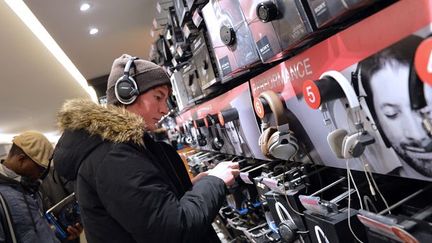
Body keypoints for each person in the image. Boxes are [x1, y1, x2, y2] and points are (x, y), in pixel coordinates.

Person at [53, 54, 240, 243]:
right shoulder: (112, 157)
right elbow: (172, 230)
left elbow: (151, 209)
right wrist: (214, 182)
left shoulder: (124, 148)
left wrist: (193, 188)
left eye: (166, 99)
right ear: (126, 93)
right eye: (158, 97)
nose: (165, 109)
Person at [359, 35, 432, 178]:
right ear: (376, 120)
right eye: (392, 114)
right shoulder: (383, 195)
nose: (416, 134)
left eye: (428, 109)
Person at [0, 131, 81, 242]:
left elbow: (39, 231)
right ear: (21, 159)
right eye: (39, 169)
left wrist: (59, 235)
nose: (41, 175)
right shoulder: (3, 196)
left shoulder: (32, 189)